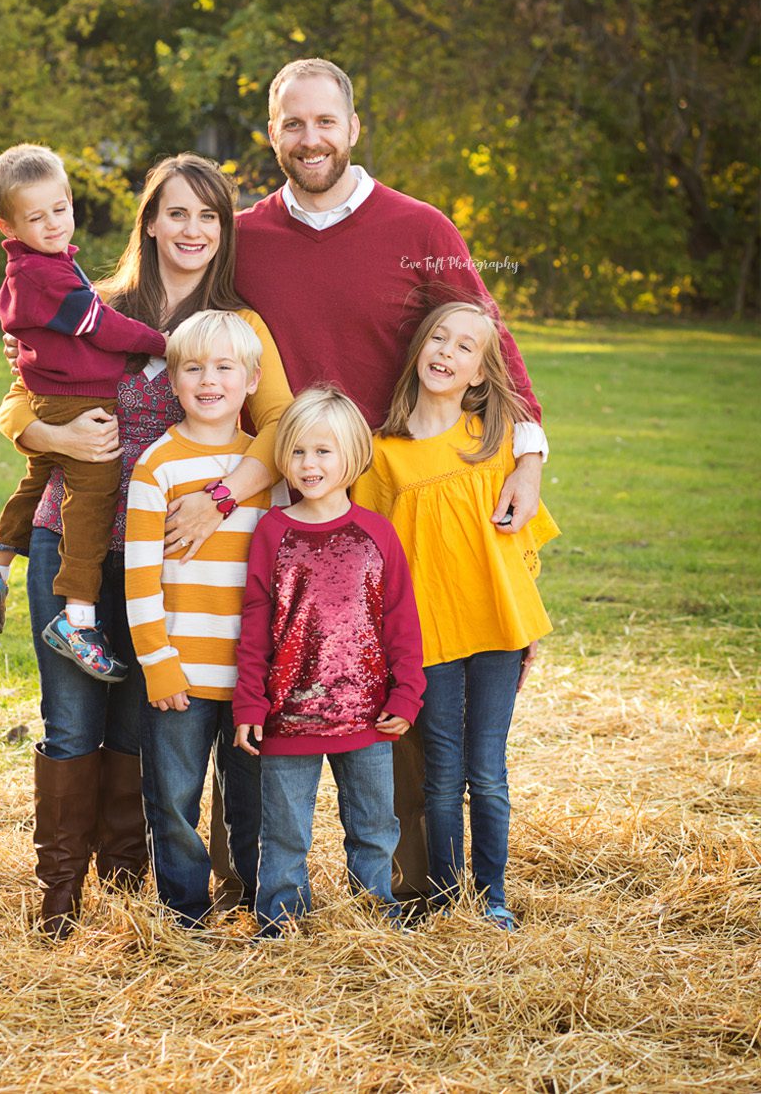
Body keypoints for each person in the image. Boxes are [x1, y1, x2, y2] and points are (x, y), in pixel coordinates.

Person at [160, 57, 552, 910]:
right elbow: (199, 330)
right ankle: (256, 884)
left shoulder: (417, 226)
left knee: (394, 681)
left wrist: (527, 453)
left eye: (324, 122)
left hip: (395, 499)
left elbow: (489, 335)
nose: (310, 139)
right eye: (292, 124)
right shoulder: (249, 237)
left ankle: (414, 888)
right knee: (264, 675)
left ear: (352, 127)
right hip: (281, 501)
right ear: (272, 133)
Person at [0, 154, 292, 939]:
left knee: (136, 724)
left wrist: (219, 498)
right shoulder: (93, 302)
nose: (192, 230)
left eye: (209, 215)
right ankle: (58, 895)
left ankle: (129, 890)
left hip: (175, 559)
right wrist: (48, 430)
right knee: (69, 721)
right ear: (150, 222)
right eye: (177, 213)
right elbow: (20, 392)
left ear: (224, 230)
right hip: (79, 543)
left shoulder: (238, 327)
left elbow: (282, 433)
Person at [354, 301, 560, 930]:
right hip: (430, 636)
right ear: (418, 349)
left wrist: (527, 631)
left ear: (479, 373)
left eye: (465, 347)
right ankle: (446, 902)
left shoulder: (494, 442)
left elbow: (517, 549)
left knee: (487, 772)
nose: (447, 351)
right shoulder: (383, 454)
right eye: (438, 338)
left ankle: (493, 898)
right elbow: (373, 558)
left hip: (497, 628)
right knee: (442, 775)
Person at [0, 144, 168, 683]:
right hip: (76, 402)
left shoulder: (49, 265)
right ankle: (78, 617)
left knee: (38, 480)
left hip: (61, 394)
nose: (53, 223)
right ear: (8, 224)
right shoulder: (43, 275)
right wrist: (162, 344)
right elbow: (99, 327)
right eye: (36, 217)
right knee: (94, 493)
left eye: (61, 209)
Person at [233, 386, 426, 938]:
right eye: (297, 452)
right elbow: (255, 624)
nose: (309, 465)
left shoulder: (377, 533)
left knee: (372, 826)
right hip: (288, 715)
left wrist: (405, 694)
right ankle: (281, 924)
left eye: (323, 452)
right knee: (286, 830)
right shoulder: (273, 530)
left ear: (353, 457)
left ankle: (373, 918)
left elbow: (401, 624)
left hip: (367, 718)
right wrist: (250, 702)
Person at [124, 309, 289, 928]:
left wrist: (275, 663)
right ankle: (182, 913)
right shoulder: (157, 468)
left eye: (225, 367)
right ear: (172, 379)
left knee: (252, 800)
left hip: (250, 675)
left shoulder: (265, 472)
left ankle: (253, 904)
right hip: (181, 676)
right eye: (194, 368)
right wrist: (159, 663)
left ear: (252, 381)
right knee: (173, 800)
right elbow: (138, 577)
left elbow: (277, 577)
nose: (209, 380)